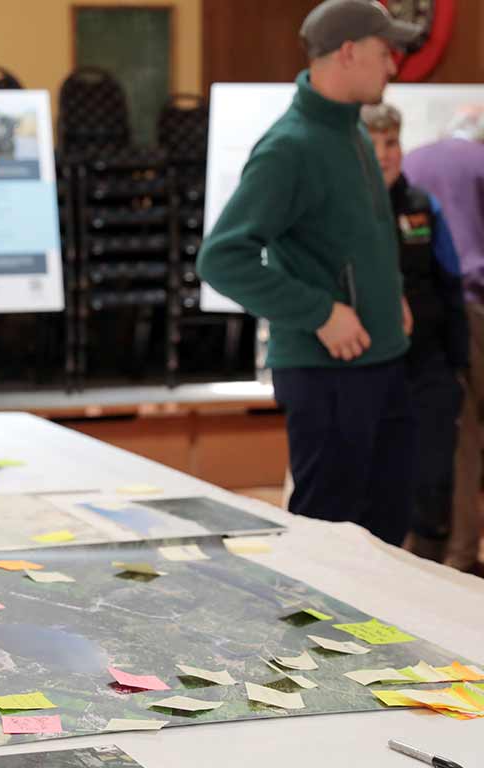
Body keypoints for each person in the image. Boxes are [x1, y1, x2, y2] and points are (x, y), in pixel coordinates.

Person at [197, 0, 420, 545]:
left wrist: (392, 294)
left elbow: (353, 235)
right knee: (329, 546)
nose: (393, 66)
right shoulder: (289, 147)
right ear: (348, 52)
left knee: (385, 535)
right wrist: (321, 312)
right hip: (330, 375)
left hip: (382, 366)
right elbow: (221, 258)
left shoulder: (353, 131)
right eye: (383, 51)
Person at [362, 102, 468, 562]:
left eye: (392, 142)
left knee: (433, 481)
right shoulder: (347, 209)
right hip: (367, 369)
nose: (385, 154)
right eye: (374, 143)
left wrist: (458, 365)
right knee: (373, 481)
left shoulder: (424, 206)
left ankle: (428, 571)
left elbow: (450, 285)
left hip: (428, 368)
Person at [403, 111, 484, 574]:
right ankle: (463, 555)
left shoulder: (413, 161)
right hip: (474, 305)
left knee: (451, 432)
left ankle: (439, 551)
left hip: (427, 310)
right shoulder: (480, 161)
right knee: (466, 433)